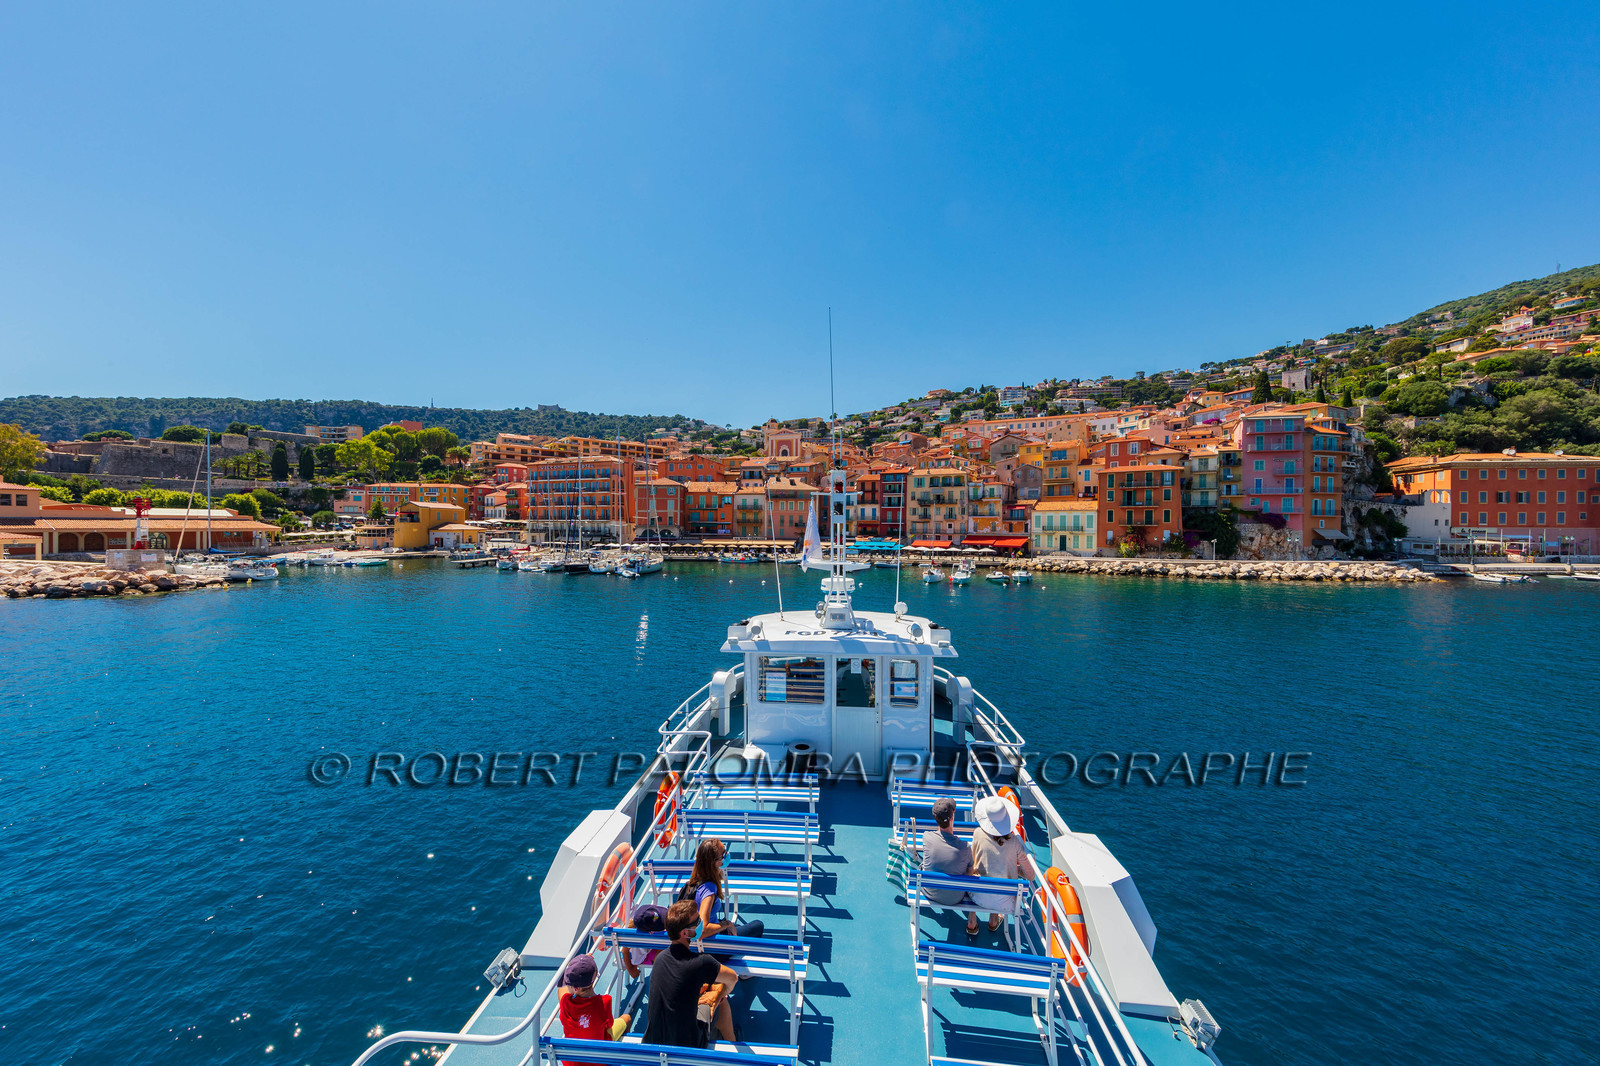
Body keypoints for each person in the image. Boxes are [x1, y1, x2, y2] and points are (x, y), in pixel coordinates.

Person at [644, 900, 738, 1046]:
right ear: (685, 933)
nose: (702, 923)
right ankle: (732, 1041)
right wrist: (720, 993)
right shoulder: (702, 962)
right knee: (722, 998)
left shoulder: (660, 959)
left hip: (654, 1044)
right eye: (698, 921)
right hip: (688, 1048)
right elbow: (733, 978)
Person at [915, 796, 979, 936]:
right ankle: (972, 917)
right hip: (955, 898)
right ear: (952, 817)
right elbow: (969, 873)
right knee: (972, 877)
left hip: (930, 892)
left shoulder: (926, 837)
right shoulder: (965, 847)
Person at [684, 838, 764, 942]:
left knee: (738, 926)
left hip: (696, 940)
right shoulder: (709, 890)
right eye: (723, 855)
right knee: (758, 925)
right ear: (714, 863)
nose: (727, 855)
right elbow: (702, 930)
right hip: (712, 944)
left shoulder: (692, 882)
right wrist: (726, 924)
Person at [970, 793, 1028, 933]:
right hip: (1004, 903)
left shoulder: (977, 833)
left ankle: (971, 922)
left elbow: (972, 862)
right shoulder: (1014, 842)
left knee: (977, 874)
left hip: (977, 896)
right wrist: (1016, 869)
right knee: (999, 877)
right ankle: (993, 920)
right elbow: (1030, 876)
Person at [556, 953, 629, 1063]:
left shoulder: (566, 1002)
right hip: (599, 1060)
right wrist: (584, 965)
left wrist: (574, 966)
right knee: (627, 1018)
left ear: (576, 988)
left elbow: (561, 989)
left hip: (572, 1062)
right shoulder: (605, 1001)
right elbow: (609, 1025)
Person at [621, 903, 667, 981]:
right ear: (651, 932)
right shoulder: (633, 939)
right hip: (645, 955)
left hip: (647, 948)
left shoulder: (630, 933)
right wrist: (631, 970)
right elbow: (625, 950)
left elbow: (624, 950)